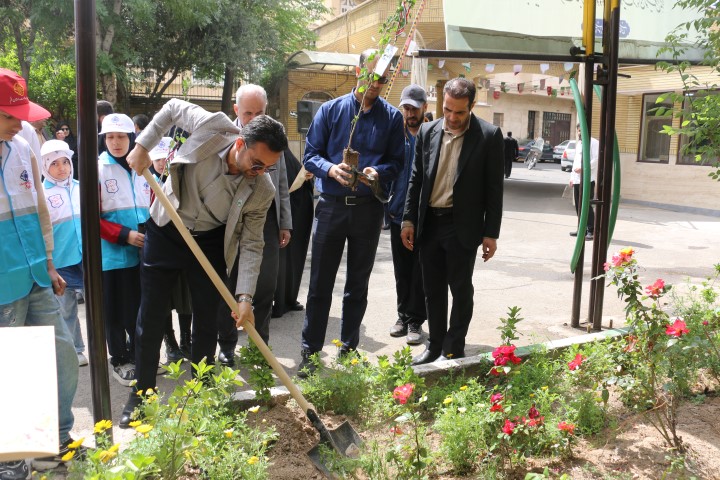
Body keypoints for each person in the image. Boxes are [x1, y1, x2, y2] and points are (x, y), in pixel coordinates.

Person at [119, 98, 287, 428]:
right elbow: (171, 109)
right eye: (256, 164)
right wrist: (142, 145)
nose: (259, 173)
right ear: (239, 143)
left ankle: (200, 393)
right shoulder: (213, 125)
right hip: (167, 226)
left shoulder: (262, 189)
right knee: (151, 316)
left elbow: (252, 244)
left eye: (267, 168)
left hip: (210, 240)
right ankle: (142, 394)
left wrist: (245, 298)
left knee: (207, 320)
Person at [298, 48, 404, 377]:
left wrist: (377, 172)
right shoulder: (330, 111)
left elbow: (398, 162)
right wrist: (331, 169)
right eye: (371, 76)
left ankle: (349, 349)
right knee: (319, 285)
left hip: (367, 210)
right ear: (358, 71)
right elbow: (310, 155)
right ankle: (310, 352)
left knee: (357, 285)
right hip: (331, 207)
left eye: (382, 78)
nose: (376, 83)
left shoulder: (392, 118)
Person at [0, 67, 80, 477]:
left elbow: (39, 210)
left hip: (35, 272)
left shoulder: (21, 148)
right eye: (9, 116)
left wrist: (49, 261)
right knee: (13, 367)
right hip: (3, 283)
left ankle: (54, 441)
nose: (20, 124)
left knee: (61, 355)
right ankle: (14, 456)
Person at [401, 77, 504, 365]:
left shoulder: (488, 136)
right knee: (432, 290)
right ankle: (434, 346)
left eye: (459, 112)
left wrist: (491, 233)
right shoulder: (427, 131)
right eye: (447, 109)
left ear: (472, 106)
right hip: (430, 223)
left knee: (460, 289)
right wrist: (408, 220)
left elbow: (494, 189)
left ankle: (453, 348)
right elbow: (416, 179)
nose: (452, 117)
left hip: (463, 226)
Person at [217, 84, 292, 367]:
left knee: (265, 285)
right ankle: (227, 345)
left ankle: (260, 346)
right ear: (236, 110)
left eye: (259, 112)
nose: (254, 118)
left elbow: (282, 184)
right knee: (229, 285)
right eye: (248, 113)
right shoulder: (224, 135)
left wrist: (285, 223)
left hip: (265, 220)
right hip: (228, 224)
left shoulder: (273, 137)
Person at [98, 113, 150, 386]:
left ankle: (137, 355)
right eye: (110, 137)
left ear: (132, 138)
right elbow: (90, 218)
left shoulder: (142, 167)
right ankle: (119, 359)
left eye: (121, 137)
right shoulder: (97, 169)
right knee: (115, 310)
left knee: (137, 307)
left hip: (142, 253)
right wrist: (124, 235)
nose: (116, 142)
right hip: (112, 255)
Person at [41, 139, 88, 366]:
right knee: (66, 308)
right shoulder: (42, 193)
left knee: (98, 304)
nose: (62, 168)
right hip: (61, 259)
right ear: (44, 167)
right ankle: (75, 349)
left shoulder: (81, 187)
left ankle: (106, 344)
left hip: (86, 257)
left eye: (65, 162)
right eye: (54, 164)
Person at [387, 84, 428, 345]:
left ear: (424, 107)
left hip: (423, 218)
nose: (410, 113)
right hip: (397, 214)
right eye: (406, 108)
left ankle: (416, 321)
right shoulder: (396, 136)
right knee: (401, 271)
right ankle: (402, 316)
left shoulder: (432, 135)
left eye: (414, 108)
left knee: (419, 272)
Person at [148, 137, 193, 363]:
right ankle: (171, 343)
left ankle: (186, 340)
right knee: (164, 299)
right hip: (159, 247)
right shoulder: (145, 181)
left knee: (186, 296)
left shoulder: (182, 179)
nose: (161, 163)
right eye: (157, 159)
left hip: (183, 245)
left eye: (165, 159)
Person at [272, 148, 314, 318]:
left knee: (290, 258)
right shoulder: (277, 152)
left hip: (294, 213)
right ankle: (280, 300)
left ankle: (286, 299)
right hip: (286, 212)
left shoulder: (283, 153)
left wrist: (305, 176)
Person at [569, 123, 599, 241]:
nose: (580, 133)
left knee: (586, 205)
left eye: (582, 130)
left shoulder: (594, 143)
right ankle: (581, 229)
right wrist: (572, 178)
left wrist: (583, 168)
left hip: (587, 179)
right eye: (578, 131)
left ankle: (591, 230)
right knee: (578, 205)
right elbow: (575, 161)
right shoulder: (579, 144)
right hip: (577, 180)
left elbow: (596, 159)